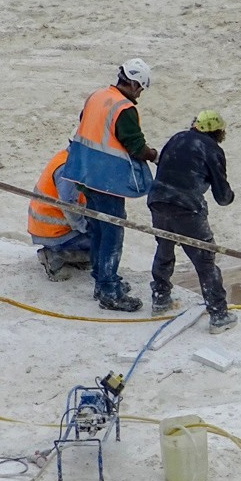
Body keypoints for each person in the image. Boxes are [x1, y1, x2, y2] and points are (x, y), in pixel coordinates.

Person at [60, 58, 158, 312]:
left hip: (85, 174)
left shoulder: (97, 96)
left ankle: (101, 282)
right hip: (107, 181)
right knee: (112, 235)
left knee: (99, 231)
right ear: (135, 83)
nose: (140, 94)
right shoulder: (124, 109)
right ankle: (109, 290)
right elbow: (135, 146)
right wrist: (154, 155)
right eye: (141, 88)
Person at [147, 110, 236, 334]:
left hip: (157, 200)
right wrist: (229, 195)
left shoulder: (177, 138)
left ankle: (160, 298)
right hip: (186, 207)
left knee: (164, 247)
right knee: (205, 260)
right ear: (218, 131)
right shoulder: (212, 149)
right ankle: (219, 315)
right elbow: (222, 197)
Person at [27, 148, 90, 281]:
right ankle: (55, 255)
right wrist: (85, 228)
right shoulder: (68, 168)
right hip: (54, 231)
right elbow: (68, 204)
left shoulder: (67, 158)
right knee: (103, 245)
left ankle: (76, 255)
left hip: (50, 227)